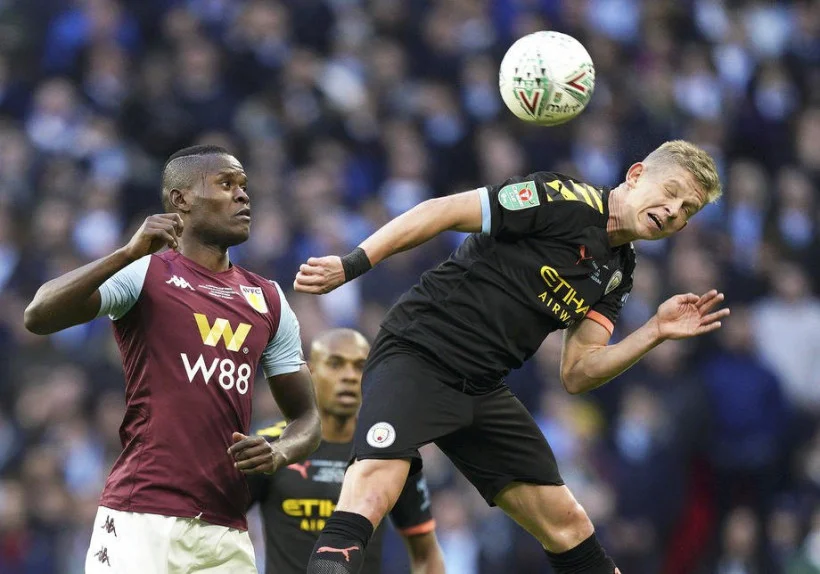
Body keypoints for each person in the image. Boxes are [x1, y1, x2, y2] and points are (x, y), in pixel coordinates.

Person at [294, 140, 731, 574]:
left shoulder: (619, 272)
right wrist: (352, 264)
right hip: (420, 352)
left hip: (482, 388)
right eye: (671, 192)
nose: (673, 211)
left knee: (569, 525)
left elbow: (577, 373)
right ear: (636, 175)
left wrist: (654, 331)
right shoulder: (561, 198)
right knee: (374, 488)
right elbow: (441, 211)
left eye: (687, 210)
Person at [23, 145, 322, 574]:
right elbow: (38, 315)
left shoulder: (269, 299)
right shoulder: (146, 273)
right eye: (226, 183)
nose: (242, 195)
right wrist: (126, 253)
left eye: (243, 185)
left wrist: (279, 451)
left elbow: (307, 418)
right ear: (181, 200)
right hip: (142, 516)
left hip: (226, 529)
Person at [248, 328, 445, 574]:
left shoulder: (390, 452)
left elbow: (426, 554)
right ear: (310, 373)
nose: (350, 376)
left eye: (360, 366)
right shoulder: (274, 446)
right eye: (335, 364)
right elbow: (219, 527)